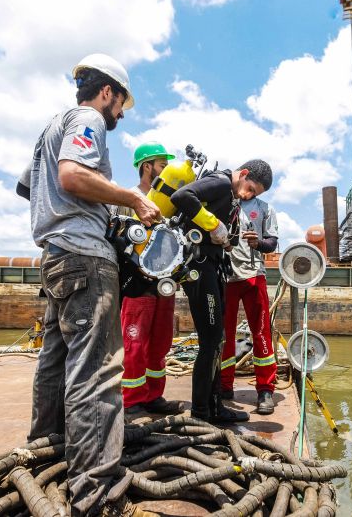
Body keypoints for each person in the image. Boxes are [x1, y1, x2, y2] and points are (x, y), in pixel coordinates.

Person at [24, 53, 159, 517]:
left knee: (55, 361)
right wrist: (130, 197)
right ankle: (96, 494)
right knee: (97, 374)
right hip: (85, 260)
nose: (120, 114)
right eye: (121, 104)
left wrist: (93, 207)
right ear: (108, 93)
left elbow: (31, 186)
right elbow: (73, 175)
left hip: (56, 256)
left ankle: (44, 451)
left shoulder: (50, 128)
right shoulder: (87, 118)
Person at [171, 159, 273, 424]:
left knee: (217, 340)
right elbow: (182, 196)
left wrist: (227, 239)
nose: (248, 195)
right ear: (244, 174)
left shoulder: (231, 198)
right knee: (210, 341)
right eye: (250, 188)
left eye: (255, 195)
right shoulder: (220, 182)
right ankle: (201, 413)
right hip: (199, 267)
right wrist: (212, 225)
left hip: (213, 266)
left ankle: (216, 406)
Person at [116, 142, 183, 415]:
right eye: (162, 166)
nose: (166, 172)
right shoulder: (128, 198)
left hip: (164, 283)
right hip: (137, 283)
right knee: (134, 342)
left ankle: (154, 395)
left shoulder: (170, 202)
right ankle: (131, 399)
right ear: (147, 166)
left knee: (160, 342)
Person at [220, 197, 279, 414]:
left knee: (261, 333)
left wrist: (259, 243)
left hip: (254, 276)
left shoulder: (265, 208)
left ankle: (265, 389)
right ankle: (224, 385)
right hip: (226, 277)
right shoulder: (223, 203)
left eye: (257, 190)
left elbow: (272, 243)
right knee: (225, 335)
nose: (250, 192)